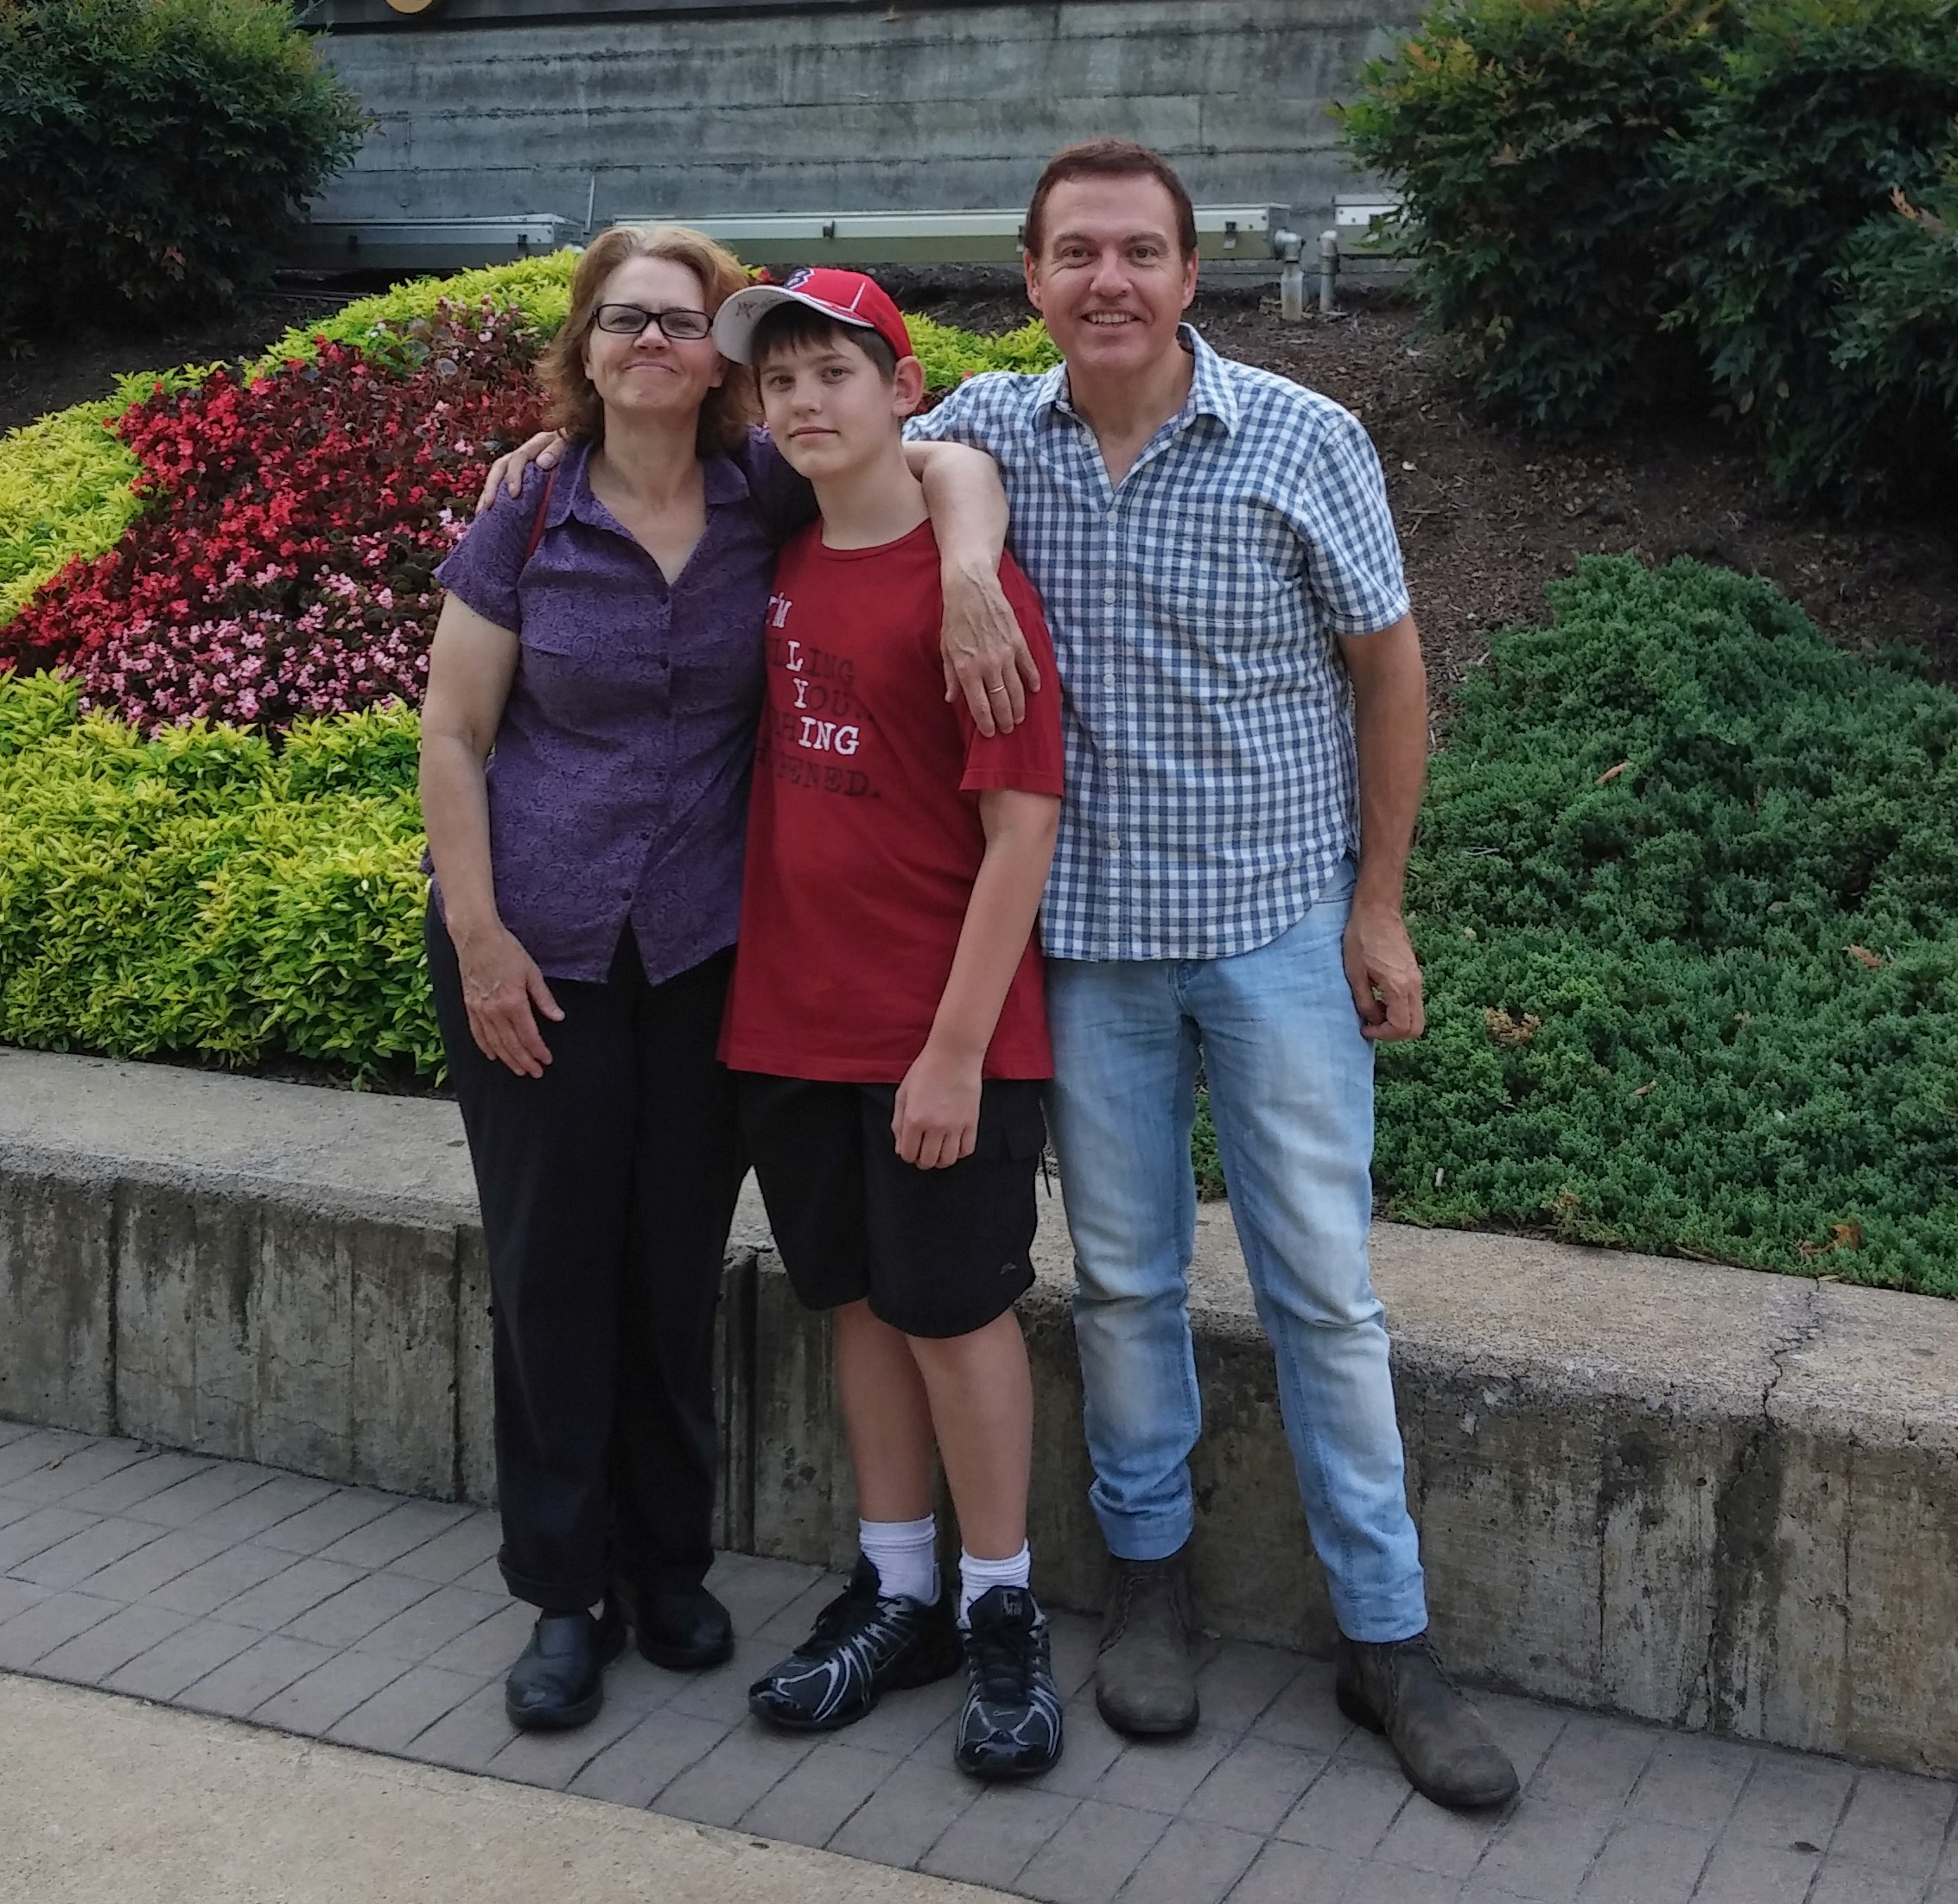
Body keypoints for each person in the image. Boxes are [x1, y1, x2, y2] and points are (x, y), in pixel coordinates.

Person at [902, 140, 1520, 1813]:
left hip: (1275, 934)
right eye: (1076, 252)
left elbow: (1390, 674)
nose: (1108, 279)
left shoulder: (1302, 439)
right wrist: (960, 557)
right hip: (1088, 948)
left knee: (1322, 1287)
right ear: (1030, 278)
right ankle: (1149, 1585)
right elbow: (818, 450)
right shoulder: (987, 427)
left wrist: (1378, 908)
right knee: (1122, 1283)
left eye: (1140, 251)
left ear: (1191, 274)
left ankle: (1386, 1635)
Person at [421, 226, 1028, 1736]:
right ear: (585, 342)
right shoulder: (529, 507)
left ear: (717, 362)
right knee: (552, 1267)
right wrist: (478, 934)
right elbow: (453, 729)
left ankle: (668, 1567)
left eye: (680, 321)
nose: (650, 341)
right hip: (535, 951)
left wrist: (966, 566)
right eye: (622, 318)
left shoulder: (768, 485)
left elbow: (940, 457)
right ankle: (565, 1591)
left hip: (703, 949)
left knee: (674, 1262)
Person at [709, 270, 1068, 1781]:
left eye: (833, 372)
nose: (802, 401)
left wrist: (954, 1049)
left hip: (942, 1034)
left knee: (955, 1313)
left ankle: (1000, 1603)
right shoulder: (778, 548)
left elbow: (1022, 826)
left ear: (903, 390)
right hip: (793, 1020)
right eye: (779, 379)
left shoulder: (970, 586)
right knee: (858, 1302)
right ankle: (898, 1586)